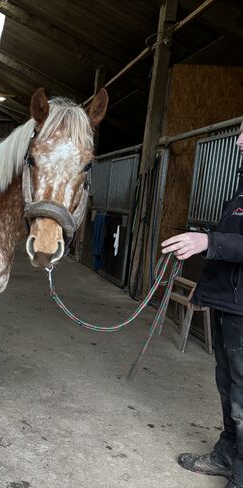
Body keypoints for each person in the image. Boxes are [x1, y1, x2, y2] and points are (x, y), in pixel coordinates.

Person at [161, 121, 243, 488]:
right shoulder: (240, 190)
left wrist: (207, 242)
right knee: (227, 385)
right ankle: (227, 454)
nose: (239, 141)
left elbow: (226, 244)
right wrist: (203, 290)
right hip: (230, 302)